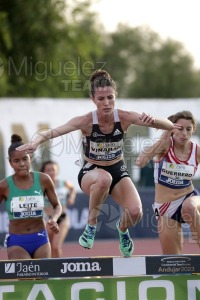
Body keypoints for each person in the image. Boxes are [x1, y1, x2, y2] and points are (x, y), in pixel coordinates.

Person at [17, 69, 175, 257]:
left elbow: (169, 125)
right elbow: (52, 132)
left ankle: (122, 230)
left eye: (110, 98)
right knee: (103, 178)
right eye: (101, 99)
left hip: (118, 170)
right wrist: (35, 142)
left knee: (135, 212)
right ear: (93, 99)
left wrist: (155, 120)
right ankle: (91, 226)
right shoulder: (85, 121)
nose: (106, 103)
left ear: (116, 96)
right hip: (91, 172)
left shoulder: (125, 117)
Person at [136, 110, 200, 254]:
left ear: (193, 130)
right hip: (166, 208)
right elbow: (140, 162)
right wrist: (164, 136)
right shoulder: (165, 145)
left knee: (189, 207)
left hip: (190, 197)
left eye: (188, 129)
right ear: (172, 129)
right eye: (179, 128)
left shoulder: (196, 151)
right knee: (173, 261)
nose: (184, 133)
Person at [0, 134, 62, 260]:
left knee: (42, 278)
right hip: (17, 242)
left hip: (40, 239)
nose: (22, 164)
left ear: (30, 158)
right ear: (10, 162)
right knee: (26, 279)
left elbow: (57, 205)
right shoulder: (4, 185)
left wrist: (54, 219)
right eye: (16, 161)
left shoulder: (44, 179)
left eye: (25, 159)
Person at [41, 160, 76, 257]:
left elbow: (72, 188)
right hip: (48, 219)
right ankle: (51, 268)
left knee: (56, 246)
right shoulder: (41, 186)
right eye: (48, 170)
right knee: (49, 247)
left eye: (53, 169)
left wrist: (72, 197)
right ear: (43, 172)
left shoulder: (63, 183)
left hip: (62, 218)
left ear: (57, 171)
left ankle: (58, 269)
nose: (51, 172)